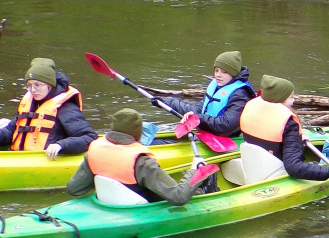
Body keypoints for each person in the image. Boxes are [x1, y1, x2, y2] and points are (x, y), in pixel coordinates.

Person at [67, 108, 204, 205]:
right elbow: (178, 197)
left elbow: (74, 189)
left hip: (108, 203)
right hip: (137, 207)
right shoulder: (142, 162)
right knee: (197, 191)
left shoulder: (94, 150)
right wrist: (195, 171)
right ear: (138, 134)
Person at [239, 75, 329, 181]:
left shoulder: (251, 107)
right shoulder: (289, 124)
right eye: (291, 97)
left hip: (254, 165)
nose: (294, 101)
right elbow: (294, 168)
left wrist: (297, 140)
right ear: (279, 99)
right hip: (275, 172)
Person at [0, 57, 97, 159]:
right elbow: (11, 131)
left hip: (47, 160)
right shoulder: (30, 103)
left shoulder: (66, 108)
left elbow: (89, 137)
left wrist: (61, 145)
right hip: (22, 157)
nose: (33, 90)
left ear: (50, 85)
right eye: (29, 85)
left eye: (38, 85)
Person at [150, 50, 255, 138]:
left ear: (233, 73)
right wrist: (166, 102)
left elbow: (226, 125)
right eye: (216, 70)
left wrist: (199, 118)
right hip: (207, 133)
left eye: (224, 72)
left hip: (226, 139)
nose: (218, 75)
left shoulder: (240, 94)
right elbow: (199, 109)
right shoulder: (217, 86)